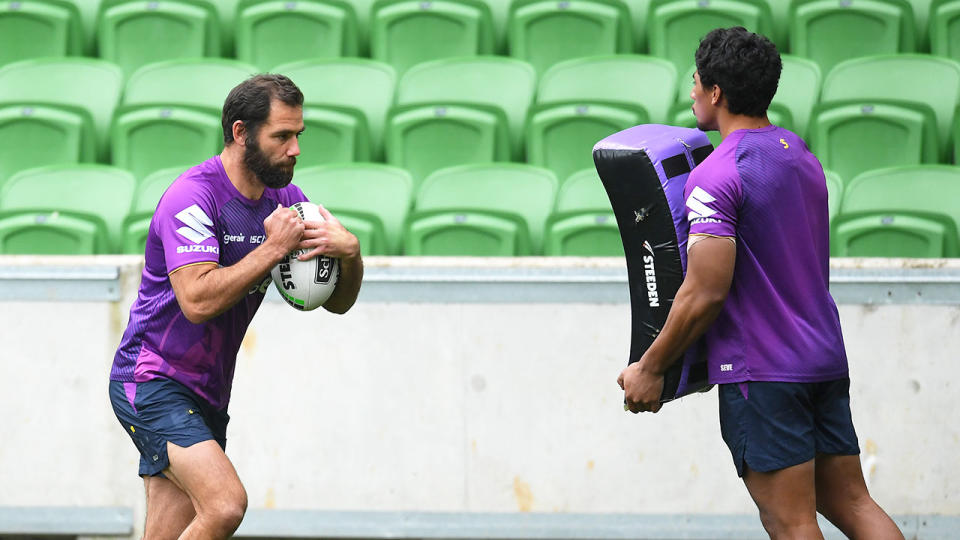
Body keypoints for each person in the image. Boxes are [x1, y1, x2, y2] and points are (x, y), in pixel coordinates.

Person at [617, 27, 903, 539]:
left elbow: (705, 291)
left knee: (791, 524)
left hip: (765, 375)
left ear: (716, 93)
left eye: (696, 82)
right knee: (856, 505)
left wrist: (651, 367)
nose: (692, 93)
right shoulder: (799, 153)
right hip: (823, 359)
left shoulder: (716, 175)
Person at [108, 74, 363, 538]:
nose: (295, 149)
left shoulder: (288, 203)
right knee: (225, 505)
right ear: (241, 132)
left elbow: (334, 304)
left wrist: (350, 255)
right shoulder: (193, 197)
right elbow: (197, 301)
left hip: (207, 392)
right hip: (150, 380)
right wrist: (270, 250)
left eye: (298, 136)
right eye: (282, 136)